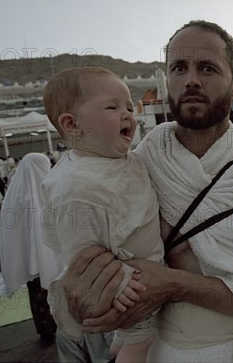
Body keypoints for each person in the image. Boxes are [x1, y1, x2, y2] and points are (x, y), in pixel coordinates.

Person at [61, 20, 233, 362]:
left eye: (208, 68)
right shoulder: (134, 170)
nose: (192, 80)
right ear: (167, 79)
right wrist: (82, 291)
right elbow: (85, 259)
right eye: (179, 68)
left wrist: (175, 284)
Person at [40, 67, 165, 361]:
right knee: (141, 343)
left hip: (145, 274)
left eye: (129, 107)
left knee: (130, 341)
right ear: (72, 124)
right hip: (129, 287)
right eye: (113, 107)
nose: (127, 115)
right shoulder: (76, 186)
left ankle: (119, 345)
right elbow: (82, 255)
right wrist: (121, 285)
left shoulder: (123, 160)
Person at [0, 153, 66, 342]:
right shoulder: (49, 189)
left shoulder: (13, 196)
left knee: (38, 295)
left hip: (31, 259)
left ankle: (46, 330)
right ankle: (64, 328)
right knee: (57, 290)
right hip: (52, 254)